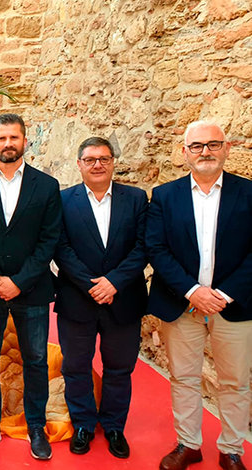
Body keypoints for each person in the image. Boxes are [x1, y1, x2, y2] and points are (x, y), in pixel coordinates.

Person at [146, 120, 252, 470]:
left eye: (213, 144)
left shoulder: (248, 193)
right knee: (184, 376)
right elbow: (156, 249)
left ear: (227, 148)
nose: (205, 151)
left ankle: (231, 448)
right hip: (182, 303)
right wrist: (193, 291)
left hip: (234, 304)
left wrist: (221, 293)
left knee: (235, 381)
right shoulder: (164, 195)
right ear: (184, 152)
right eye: (197, 146)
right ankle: (188, 444)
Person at [0, 113, 62, 461]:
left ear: (24, 141)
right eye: (0, 138)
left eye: (13, 138)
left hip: (31, 289)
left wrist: (19, 281)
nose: (7, 144)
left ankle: (35, 424)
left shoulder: (46, 186)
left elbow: (49, 240)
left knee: (35, 359)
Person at [53, 137, 148, 459]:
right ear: (79, 164)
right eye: (90, 159)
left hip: (123, 299)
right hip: (77, 300)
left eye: (104, 159)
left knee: (119, 368)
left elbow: (143, 246)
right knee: (76, 367)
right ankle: (82, 424)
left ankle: (113, 426)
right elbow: (60, 247)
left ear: (112, 162)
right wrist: (92, 284)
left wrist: (114, 283)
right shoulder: (63, 201)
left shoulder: (136, 199)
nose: (97, 165)